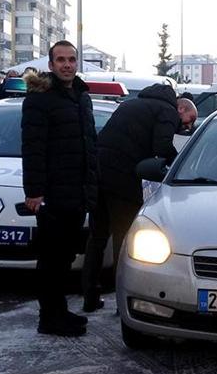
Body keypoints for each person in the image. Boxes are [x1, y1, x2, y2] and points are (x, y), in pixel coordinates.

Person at [80, 85, 197, 312]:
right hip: (122, 178)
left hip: (98, 172)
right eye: (188, 120)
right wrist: (181, 162)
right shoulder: (167, 111)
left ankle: (89, 297)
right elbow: (161, 146)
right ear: (180, 107)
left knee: (98, 236)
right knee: (124, 241)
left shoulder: (133, 103)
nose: (187, 126)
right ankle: (122, 302)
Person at [22, 40, 98, 337]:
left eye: (72, 60)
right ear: (51, 65)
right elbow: (33, 149)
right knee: (51, 260)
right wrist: (34, 192)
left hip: (77, 193)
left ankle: (60, 311)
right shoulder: (40, 99)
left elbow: (88, 147)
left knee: (65, 258)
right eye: (61, 60)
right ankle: (49, 318)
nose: (67, 65)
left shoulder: (81, 97)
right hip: (53, 195)